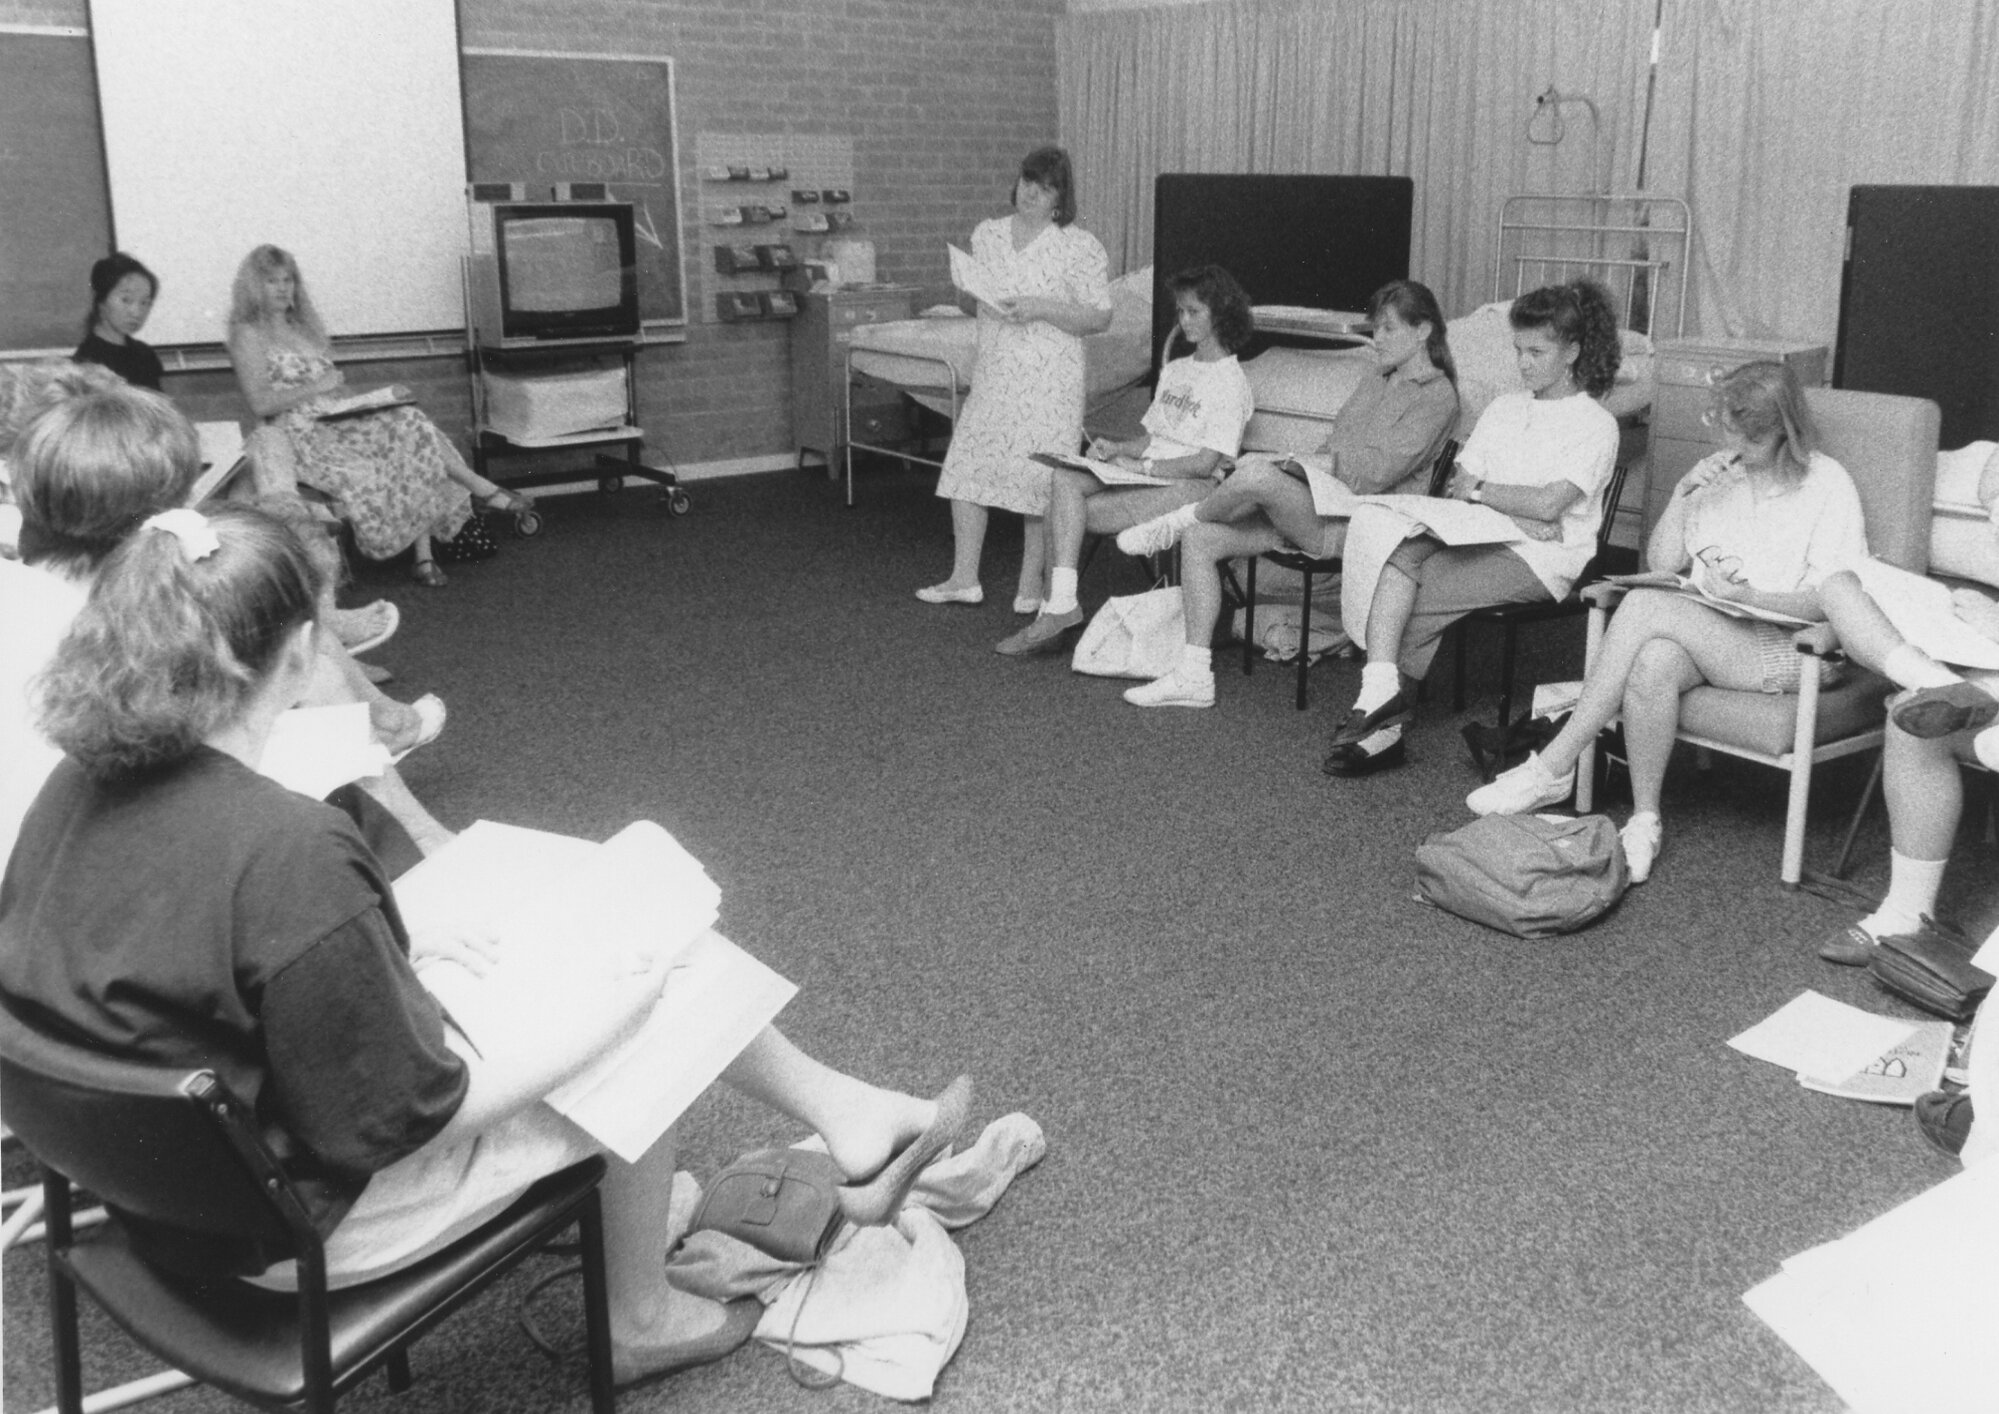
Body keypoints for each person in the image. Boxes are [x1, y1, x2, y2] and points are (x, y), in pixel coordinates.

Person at [0, 503, 973, 1383]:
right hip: (302, 1227)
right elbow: (407, 1122)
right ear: (300, 653)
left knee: (601, 954)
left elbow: (176, 957)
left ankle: (851, 1115)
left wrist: (378, 942)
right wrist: (613, 1016)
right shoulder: (289, 846)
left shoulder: (78, 785)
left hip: (158, 1195)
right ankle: (640, 1317)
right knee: (653, 993)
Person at [0, 379, 448, 861]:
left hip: (48, 838)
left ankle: (409, 812)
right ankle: (418, 836)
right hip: (98, 843)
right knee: (315, 686)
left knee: (313, 682)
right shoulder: (129, 620)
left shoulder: (27, 587)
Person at [1467, 360, 1867, 882]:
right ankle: (1645, 819)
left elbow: (1833, 602)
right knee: (1653, 661)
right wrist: (1682, 496)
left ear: (1782, 433)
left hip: (1795, 646)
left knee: (1645, 606)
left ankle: (1553, 764)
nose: (1733, 448)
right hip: (1714, 630)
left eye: (1748, 439)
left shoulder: (1827, 483)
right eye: (1728, 432)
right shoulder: (1721, 478)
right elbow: (1662, 563)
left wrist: (1751, 595)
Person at [1113, 279, 1461, 708]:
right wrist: (1300, 467)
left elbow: (1376, 473)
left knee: (1258, 474)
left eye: (1389, 328)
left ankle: (1177, 519)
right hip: (1322, 503)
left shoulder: (1437, 396)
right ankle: (1193, 676)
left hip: (1364, 521)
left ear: (1423, 331)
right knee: (1203, 538)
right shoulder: (1377, 378)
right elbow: (1336, 443)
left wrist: (1297, 463)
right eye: (1376, 328)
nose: (1378, 338)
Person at [1324, 278, 1623, 776]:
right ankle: (1380, 706)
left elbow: (1550, 504)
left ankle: (1382, 724)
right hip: (1488, 531)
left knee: (1410, 596)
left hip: (1542, 556)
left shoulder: (1595, 423)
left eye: (1537, 352)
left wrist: (1493, 496)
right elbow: (1461, 485)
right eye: (1518, 350)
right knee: (1396, 553)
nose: (1523, 363)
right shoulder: (1505, 407)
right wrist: (1514, 509)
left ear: (1571, 352)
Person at [226, 244, 533, 587]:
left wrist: (370, 402)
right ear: (254, 286)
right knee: (410, 430)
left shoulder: (302, 328)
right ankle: (474, 495)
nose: (283, 288)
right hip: (299, 436)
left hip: (335, 422)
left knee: (408, 421)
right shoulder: (247, 333)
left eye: (288, 280)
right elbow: (261, 404)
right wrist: (318, 387)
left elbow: (334, 390)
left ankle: (427, 553)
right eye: (272, 281)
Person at [994, 264, 1255, 659]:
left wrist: (1143, 468)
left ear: (1220, 313)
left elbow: (1205, 464)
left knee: (1059, 512)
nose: (1183, 321)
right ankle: (1060, 608)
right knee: (1064, 479)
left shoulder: (1230, 381)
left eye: (1194, 312)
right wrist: (1115, 450)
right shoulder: (1177, 369)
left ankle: (1055, 612)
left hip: (1191, 486)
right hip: (1146, 473)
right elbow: (1152, 438)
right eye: (1180, 311)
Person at [918, 147, 1113, 613]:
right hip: (996, 372)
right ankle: (963, 578)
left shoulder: (1079, 246)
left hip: (1050, 380)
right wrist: (970, 292)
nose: (1032, 194)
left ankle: (1030, 587)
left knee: (1038, 481)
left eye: (1045, 188)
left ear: (1060, 198)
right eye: (1028, 182)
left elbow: (1100, 316)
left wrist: (1040, 306)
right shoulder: (987, 234)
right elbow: (971, 304)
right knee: (966, 469)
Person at [73, 251, 165, 391]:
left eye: (144, 302)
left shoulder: (145, 354)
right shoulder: (87, 362)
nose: (137, 312)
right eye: (126, 300)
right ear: (100, 300)